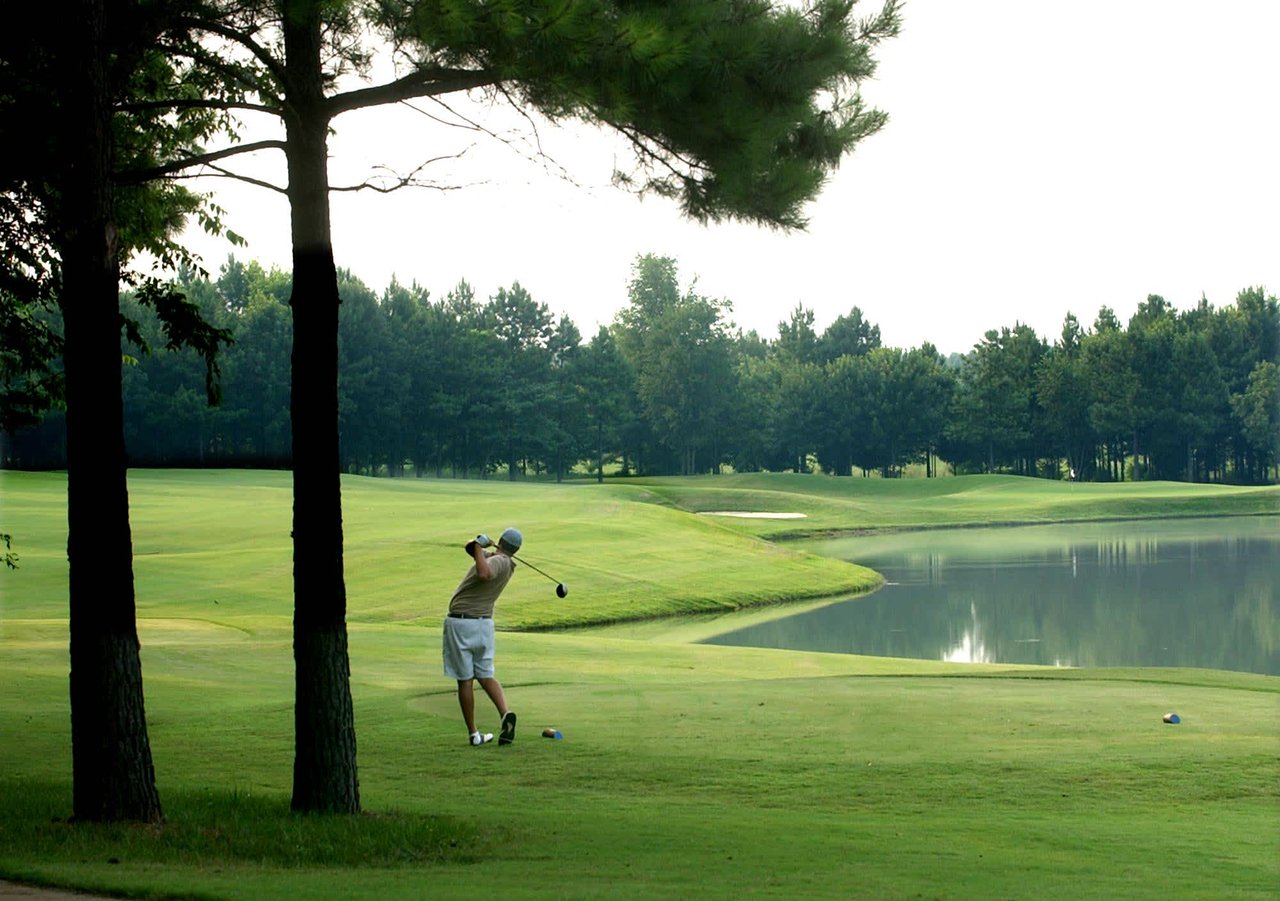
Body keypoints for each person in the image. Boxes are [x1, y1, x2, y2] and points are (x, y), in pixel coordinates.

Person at [442, 527, 521, 746]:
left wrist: (480, 546)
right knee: (485, 675)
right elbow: (471, 550)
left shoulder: (497, 562)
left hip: (462, 623)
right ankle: (505, 714)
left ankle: (474, 734)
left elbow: (484, 573)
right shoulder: (502, 562)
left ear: (501, 543)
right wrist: (477, 544)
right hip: (483, 626)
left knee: (465, 679)